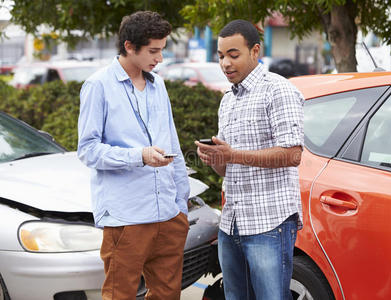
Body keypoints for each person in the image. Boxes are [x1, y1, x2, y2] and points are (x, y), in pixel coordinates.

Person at [77, 11, 189, 300]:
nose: (160, 58)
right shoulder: (97, 86)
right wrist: (138, 156)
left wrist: (181, 204)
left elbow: (171, 141)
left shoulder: (158, 84)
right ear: (129, 46)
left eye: (162, 50)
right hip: (126, 218)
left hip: (168, 213)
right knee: (120, 295)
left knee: (167, 295)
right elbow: (88, 150)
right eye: (154, 51)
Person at [195, 19, 305, 300]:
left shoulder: (278, 90)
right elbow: (226, 169)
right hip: (232, 221)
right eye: (220, 56)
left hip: (269, 221)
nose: (225, 64)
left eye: (234, 55)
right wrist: (216, 158)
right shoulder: (227, 100)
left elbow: (292, 154)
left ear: (255, 51)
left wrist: (232, 154)